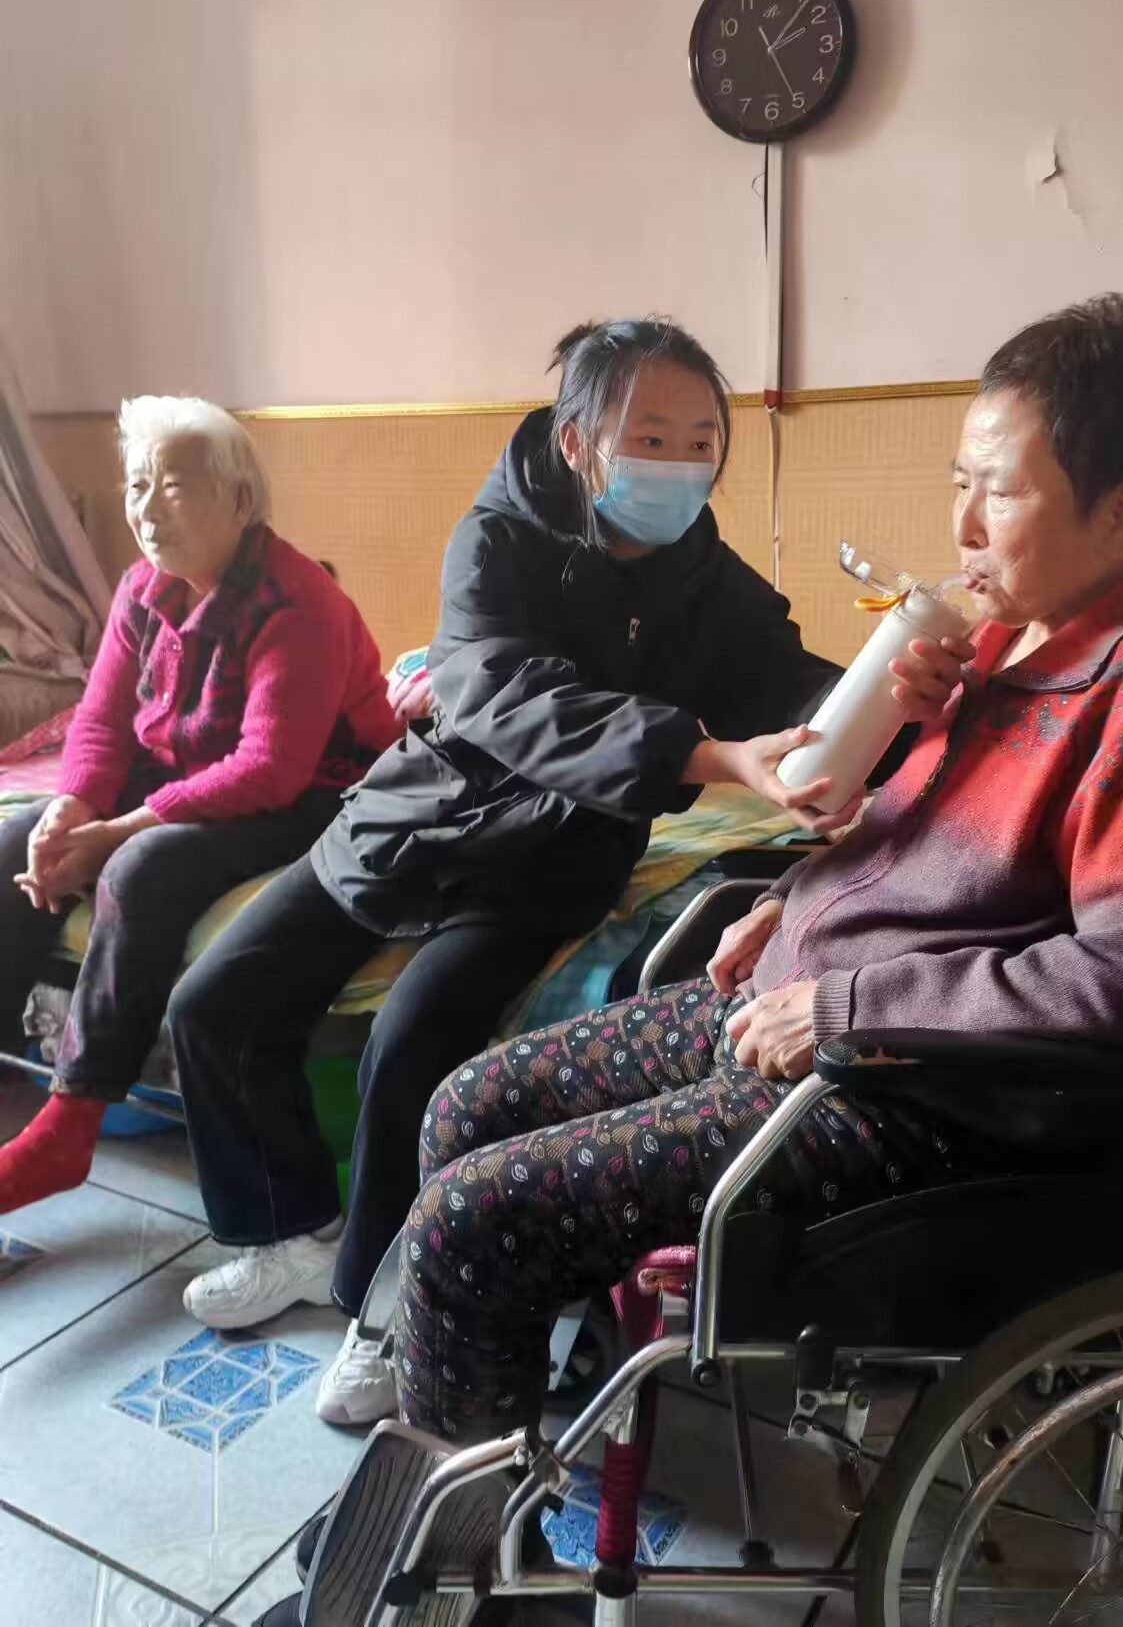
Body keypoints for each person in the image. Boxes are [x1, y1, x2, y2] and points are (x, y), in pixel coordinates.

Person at [333, 294, 1123, 1618]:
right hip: (804, 1018)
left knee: (473, 1216)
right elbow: (905, 847)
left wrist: (846, 998)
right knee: (464, 1102)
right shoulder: (1004, 647)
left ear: (1121, 512)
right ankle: (488, 1438)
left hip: (916, 1094)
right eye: (958, 481)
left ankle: (467, 1578)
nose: (962, 524)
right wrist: (791, 898)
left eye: (998, 491)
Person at [170, 317, 971, 1428]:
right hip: (414, 815)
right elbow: (503, 693)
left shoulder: (710, 583)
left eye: (701, 441)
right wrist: (708, 757)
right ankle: (286, 1228)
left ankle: (376, 1307)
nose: (679, 464)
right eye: (650, 436)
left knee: (413, 1038)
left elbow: (789, 682)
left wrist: (894, 702)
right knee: (213, 1000)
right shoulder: (495, 540)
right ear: (576, 441)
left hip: (546, 857)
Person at [0, 396, 397, 1213]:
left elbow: (268, 770)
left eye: (174, 487)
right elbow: (102, 723)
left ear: (241, 501)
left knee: (139, 868)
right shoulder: (141, 590)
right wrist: (72, 807)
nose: (147, 510)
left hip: (319, 790)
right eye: (136, 485)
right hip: (197, 771)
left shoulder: (300, 604)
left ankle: (72, 1122)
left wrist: (118, 830)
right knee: (14, 840)